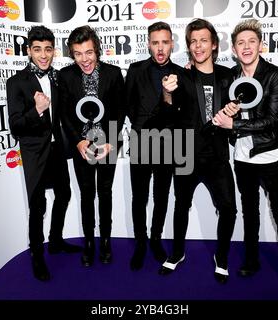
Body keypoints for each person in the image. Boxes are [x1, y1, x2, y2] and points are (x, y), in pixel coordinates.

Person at [213, 19, 278, 292]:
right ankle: (251, 261)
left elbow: (272, 120)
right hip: (242, 159)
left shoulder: (275, 76)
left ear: (260, 45)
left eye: (251, 41)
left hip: (271, 157)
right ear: (234, 48)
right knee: (250, 214)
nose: (246, 46)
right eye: (241, 42)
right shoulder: (231, 77)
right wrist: (229, 116)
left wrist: (235, 124)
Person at [158, 18, 237, 284]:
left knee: (228, 208)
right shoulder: (180, 75)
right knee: (181, 206)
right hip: (186, 153)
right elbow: (169, 115)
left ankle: (221, 257)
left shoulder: (228, 76)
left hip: (217, 155)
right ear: (189, 47)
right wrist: (167, 95)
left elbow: (239, 109)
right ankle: (177, 253)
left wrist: (234, 113)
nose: (198, 45)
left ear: (214, 44)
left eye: (204, 40)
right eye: (193, 41)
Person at [6, 25, 82, 282]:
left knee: (64, 193)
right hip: (33, 152)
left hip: (57, 149)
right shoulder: (16, 82)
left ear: (54, 51)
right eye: (37, 49)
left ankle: (56, 240)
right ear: (29, 51)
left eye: (48, 49)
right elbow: (15, 125)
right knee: (37, 205)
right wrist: (37, 110)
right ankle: (37, 254)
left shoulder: (57, 78)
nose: (43, 55)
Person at [59, 26, 125, 267]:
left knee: (105, 193)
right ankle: (88, 242)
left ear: (96, 49)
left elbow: (120, 110)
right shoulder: (66, 76)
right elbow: (64, 114)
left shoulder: (114, 73)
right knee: (87, 195)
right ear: (72, 54)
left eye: (88, 52)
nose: (84, 59)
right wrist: (78, 140)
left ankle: (105, 241)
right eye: (78, 54)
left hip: (106, 145)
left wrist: (109, 141)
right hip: (82, 147)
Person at [125, 21, 183, 271]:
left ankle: (156, 239)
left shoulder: (183, 73)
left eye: (165, 42)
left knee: (161, 197)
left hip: (168, 143)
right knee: (139, 198)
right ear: (148, 44)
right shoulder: (135, 69)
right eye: (155, 42)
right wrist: (141, 126)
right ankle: (140, 244)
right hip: (140, 141)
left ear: (172, 43)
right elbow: (127, 104)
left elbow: (183, 111)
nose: (160, 48)